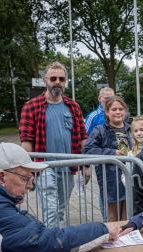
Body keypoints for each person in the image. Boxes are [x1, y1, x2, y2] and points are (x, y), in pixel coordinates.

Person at [0, 143, 118, 252]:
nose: (30, 186)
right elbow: (40, 244)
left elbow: (22, 224)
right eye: (24, 179)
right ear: (1, 178)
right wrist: (102, 229)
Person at [19, 61, 87, 228]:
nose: (57, 82)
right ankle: (52, 244)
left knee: (61, 209)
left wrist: (86, 166)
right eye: (53, 78)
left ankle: (57, 239)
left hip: (68, 167)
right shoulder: (31, 106)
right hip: (44, 167)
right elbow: (26, 141)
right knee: (51, 209)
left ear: (66, 82)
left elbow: (83, 138)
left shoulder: (73, 106)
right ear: (45, 81)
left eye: (62, 79)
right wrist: (27, 171)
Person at [85, 96, 132, 221]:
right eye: (114, 109)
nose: (118, 112)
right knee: (113, 215)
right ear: (107, 112)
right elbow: (88, 150)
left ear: (125, 111)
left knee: (128, 213)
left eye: (121, 109)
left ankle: (126, 238)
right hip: (110, 178)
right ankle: (114, 238)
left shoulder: (131, 129)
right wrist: (112, 153)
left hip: (130, 175)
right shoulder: (99, 130)